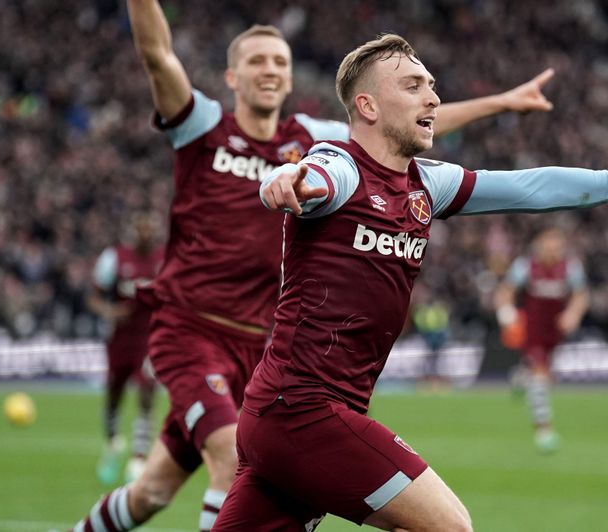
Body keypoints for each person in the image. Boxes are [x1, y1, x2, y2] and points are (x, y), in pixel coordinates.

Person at [72, 2, 563, 530]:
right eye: (257, 61)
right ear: (232, 77)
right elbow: (158, 56)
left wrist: (501, 103)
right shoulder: (204, 126)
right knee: (228, 455)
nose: (270, 70)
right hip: (191, 333)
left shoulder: (310, 137)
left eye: (280, 62)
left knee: (152, 492)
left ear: (290, 78)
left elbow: (400, 121)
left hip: (259, 347)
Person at [213, 33, 608, 530]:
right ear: (367, 106)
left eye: (432, 85)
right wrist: (283, 181)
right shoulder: (340, 165)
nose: (433, 97)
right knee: (450, 526)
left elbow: (533, 187)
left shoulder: (426, 184)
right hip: (302, 409)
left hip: (288, 412)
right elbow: (313, 177)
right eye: (413, 86)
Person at [86, 212, 164, 485]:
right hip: (120, 338)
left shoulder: (165, 258)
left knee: (147, 390)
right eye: (141, 228)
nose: (146, 234)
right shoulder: (114, 258)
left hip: (149, 337)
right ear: (134, 231)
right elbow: (93, 298)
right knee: (113, 392)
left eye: (150, 228)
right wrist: (109, 311)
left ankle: (139, 457)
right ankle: (112, 443)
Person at [495, 228, 588, 451]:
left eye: (557, 246)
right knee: (540, 373)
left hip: (555, 330)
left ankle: (520, 377)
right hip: (533, 329)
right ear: (539, 246)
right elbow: (505, 292)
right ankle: (543, 429)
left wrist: (573, 313)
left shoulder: (571, 268)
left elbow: (581, 295)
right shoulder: (524, 266)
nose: (553, 250)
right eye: (549, 245)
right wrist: (507, 314)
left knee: (544, 374)